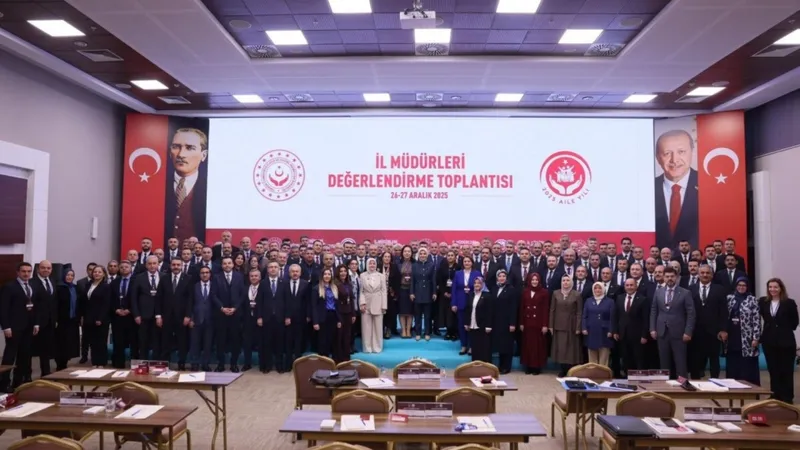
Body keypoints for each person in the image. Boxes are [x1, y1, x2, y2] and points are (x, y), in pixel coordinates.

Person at [654, 129, 699, 249]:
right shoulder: (647, 188)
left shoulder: (708, 184)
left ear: (692, 152)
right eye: (667, 153)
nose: (674, 160)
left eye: (681, 152)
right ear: (658, 158)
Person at [164, 127, 209, 243]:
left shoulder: (211, 189)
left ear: (203, 155)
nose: (181, 154)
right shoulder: (159, 186)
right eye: (176, 147)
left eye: (190, 148)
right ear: (170, 152)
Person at [650, 266, 695, 378]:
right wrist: (652, 329)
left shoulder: (685, 293)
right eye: (667, 276)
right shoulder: (658, 292)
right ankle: (665, 385)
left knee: (680, 362)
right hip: (662, 332)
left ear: (677, 277)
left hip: (679, 332)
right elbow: (654, 310)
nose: (669, 278)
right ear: (663, 277)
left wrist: (688, 332)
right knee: (664, 362)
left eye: (672, 276)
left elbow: (691, 314)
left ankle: (682, 384)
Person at [759, 278, 798, 403]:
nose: (773, 289)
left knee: (786, 370)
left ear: (781, 288)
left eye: (775, 287)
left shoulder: (789, 303)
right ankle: (775, 394)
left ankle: (787, 397)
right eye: (770, 287)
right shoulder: (763, 302)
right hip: (769, 341)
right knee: (773, 369)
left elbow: (794, 323)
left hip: (786, 342)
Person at [722, 277, 762, 386]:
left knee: (747, 364)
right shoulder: (729, 298)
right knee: (732, 362)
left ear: (747, 287)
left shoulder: (752, 299)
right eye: (739, 285)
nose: (741, 287)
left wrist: (756, 337)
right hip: (732, 336)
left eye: (744, 285)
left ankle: (749, 387)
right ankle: (733, 387)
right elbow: (724, 316)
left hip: (747, 338)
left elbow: (756, 320)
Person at [549, 275, 583, 377]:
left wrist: (578, 327)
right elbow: (552, 310)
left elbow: (579, 312)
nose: (565, 282)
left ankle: (571, 370)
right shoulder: (556, 293)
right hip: (558, 325)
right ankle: (562, 369)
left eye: (568, 280)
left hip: (572, 325)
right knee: (561, 348)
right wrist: (551, 325)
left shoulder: (577, 294)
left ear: (571, 282)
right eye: (563, 280)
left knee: (571, 348)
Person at [519, 273, 549, 375]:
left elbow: (545, 309)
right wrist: (521, 323)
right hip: (527, 323)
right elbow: (522, 308)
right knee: (527, 345)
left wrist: (545, 325)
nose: (534, 281)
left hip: (538, 323)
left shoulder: (544, 292)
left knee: (538, 346)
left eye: (536, 280)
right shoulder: (525, 291)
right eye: (533, 280)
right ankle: (528, 366)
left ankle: (536, 367)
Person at [451, 256, 481, 355]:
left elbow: (480, 287)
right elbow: (454, 289)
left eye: (468, 261)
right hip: (460, 302)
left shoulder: (477, 273)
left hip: (473, 302)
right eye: (465, 261)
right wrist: (454, 303)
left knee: (472, 325)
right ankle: (463, 345)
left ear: (472, 263)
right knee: (461, 325)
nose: (467, 263)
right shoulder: (458, 273)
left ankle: (471, 346)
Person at [82, 265, 110, 367]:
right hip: (89, 317)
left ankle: (101, 362)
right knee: (93, 341)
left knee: (101, 341)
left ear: (104, 274)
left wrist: (100, 318)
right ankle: (95, 362)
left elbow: (106, 304)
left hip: (101, 318)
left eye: (99, 272)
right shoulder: (88, 285)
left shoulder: (106, 286)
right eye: (95, 272)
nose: (97, 274)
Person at [189, 266, 215, 371]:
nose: (205, 274)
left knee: (208, 344)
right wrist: (191, 318)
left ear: (210, 274)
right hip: (196, 319)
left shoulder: (215, 286)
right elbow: (190, 303)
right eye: (202, 273)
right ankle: (194, 364)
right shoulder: (194, 286)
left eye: (207, 272)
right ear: (199, 274)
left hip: (210, 319)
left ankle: (205, 364)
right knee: (195, 343)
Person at [582, 282, 615, 366]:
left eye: (599, 288)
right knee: (592, 356)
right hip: (591, 331)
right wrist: (584, 327)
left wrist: (611, 330)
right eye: (595, 288)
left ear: (603, 289)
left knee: (604, 355)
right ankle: (593, 373)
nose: (597, 290)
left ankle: (603, 373)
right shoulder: (588, 301)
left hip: (604, 331)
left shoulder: (610, 301)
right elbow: (584, 316)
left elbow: (612, 317)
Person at [491, 269, 517, 374]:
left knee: (507, 345)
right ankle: (501, 366)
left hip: (507, 322)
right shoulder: (494, 288)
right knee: (500, 345)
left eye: (503, 276)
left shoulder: (511, 289)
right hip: (497, 322)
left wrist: (512, 323)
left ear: (506, 278)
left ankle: (506, 367)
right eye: (500, 276)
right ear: (497, 278)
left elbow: (514, 308)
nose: (501, 278)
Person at [54, 269, 80, 371]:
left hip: (72, 321)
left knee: (69, 343)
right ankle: (59, 364)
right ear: (63, 276)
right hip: (61, 320)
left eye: (72, 275)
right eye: (68, 275)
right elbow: (55, 305)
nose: (69, 277)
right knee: (60, 343)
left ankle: (64, 363)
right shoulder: (59, 288)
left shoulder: (75, 288)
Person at [359, 258, 387, 353]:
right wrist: (362, 303)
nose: (372, 265)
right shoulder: (362, 275)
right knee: (366, 327)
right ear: (367, 265)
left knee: (378, 327)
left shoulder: (381, 276)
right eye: (370, 263)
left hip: (378, 303)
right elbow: (361, 291)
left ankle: (377, 347)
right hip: (366, 304)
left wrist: (384, 305)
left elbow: (384, 291)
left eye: (373, 263)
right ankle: (367, 348)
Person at [463, 277, 493, 363]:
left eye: (479, 283)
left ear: (483, 284)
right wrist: (466, 323)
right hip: (473, 325)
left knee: (484, 347)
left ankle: (485, 366)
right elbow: (468, 310)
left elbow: (489, 312)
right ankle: (476, 365)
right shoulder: (471, 295)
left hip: (483, 326)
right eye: (475, 283)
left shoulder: (487, 296)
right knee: (475, 346)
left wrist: (489, 325)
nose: (477, 285)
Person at [411, 247, 436, 341]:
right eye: (421, 254)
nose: (422, 255)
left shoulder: (431, 265)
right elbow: (412, 280)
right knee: (417, 314)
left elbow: (433, 280)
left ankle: (427, 332)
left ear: (427, 255)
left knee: (427, 315)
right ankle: (418, 333)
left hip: (428, 292)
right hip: (417, 292)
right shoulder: (414, 265)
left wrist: (434, 292)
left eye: (424, 253)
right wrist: (412, 292)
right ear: (418, 255)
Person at [333, 265, 355, 364]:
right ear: (338, 273)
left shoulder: (348, 284)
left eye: (345, 271)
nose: (343, 273)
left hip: (348, 312)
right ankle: (338, 360)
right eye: (341, 271)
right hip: (339, 313)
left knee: (347, 336)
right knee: (339, 336)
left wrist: (353, 314)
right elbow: (335, 302)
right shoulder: (335, 284)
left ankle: (346, 359)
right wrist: (338, 318)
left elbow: (352, 299)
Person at [378, 251, 400, 339]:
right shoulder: (378, 267)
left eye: (388, 257)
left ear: (391, 258)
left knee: (390, 312)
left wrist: (395, 293)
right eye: (385, 256)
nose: (387, 258)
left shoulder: (394, 267)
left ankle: (388, 329)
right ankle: (380, 329)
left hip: (390, 294)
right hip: (379, 294)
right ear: (382, 258)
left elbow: (398, 280)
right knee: (381, 312)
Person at [397, 245, 415, 338]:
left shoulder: (415, 263)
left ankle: (409, 330)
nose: (407, 253)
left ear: (411, 253)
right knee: (402, 311)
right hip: (401, 289)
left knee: (410, 311)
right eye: (405, 251)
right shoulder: (398, 263)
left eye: (409, 251)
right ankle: (403, 330)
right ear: (402, 253)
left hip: (412, 290)